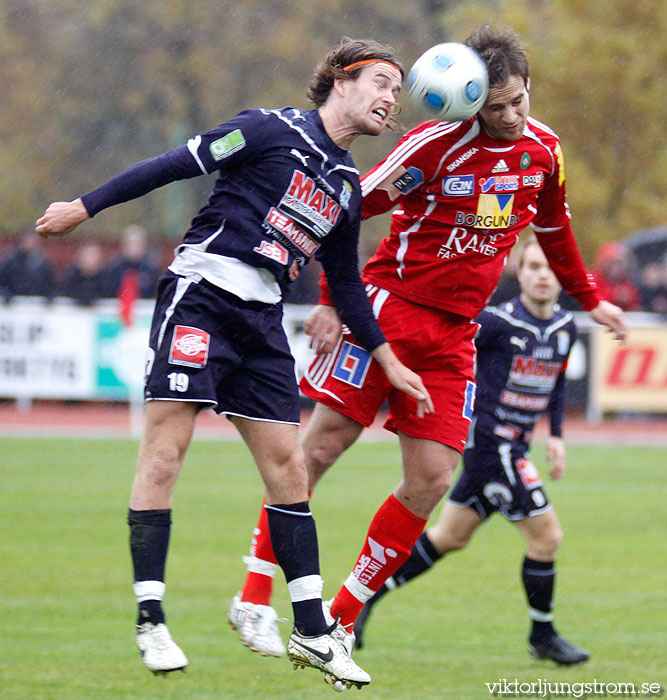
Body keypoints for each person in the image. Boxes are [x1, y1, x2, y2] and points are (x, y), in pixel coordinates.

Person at [35, 38, 435, 691]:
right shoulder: (266, 128)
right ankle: (151, 620)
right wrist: (85, 207)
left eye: (396, 89)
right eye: (380, 82)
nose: (390, 97)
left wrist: (386, 358)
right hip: (201, 298)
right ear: (339, 79)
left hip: (263, 321)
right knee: (165, 455)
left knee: (290, 468)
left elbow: (346, 283)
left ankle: (311, 632)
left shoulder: (344, 187)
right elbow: (171, 165)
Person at [230, 25, 627, 667]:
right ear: (468, 101)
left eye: (518, 102)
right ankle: (252, 594)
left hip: (455, 334)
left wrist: (589, 296)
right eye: (494, 108)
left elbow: (553, 228)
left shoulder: (545, 151)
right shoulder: (432, 147)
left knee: (432, 479)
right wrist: (333, 300)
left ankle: (337, 623)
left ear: (530, 90)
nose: (509, 117)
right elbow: (342, 208)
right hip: (388, 310)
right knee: (321, 448)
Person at [353, 238, 590, 665]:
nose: (542, 275)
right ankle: (543, 634)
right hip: (490, 447)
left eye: (550, 268)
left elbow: (555, 383)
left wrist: (555, 434)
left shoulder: (566, 327)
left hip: (515, 447)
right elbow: (449, 345)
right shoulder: (497, 323)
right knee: (547, 536)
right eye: (533, 267)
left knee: (450, 537)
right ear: (520, 273)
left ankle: (362, 599)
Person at [101, 224, 161, 300]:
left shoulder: (151, 268)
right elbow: (106, 292)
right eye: (131, 244)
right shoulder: (113, 268)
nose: (134, 248)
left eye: (138, 244)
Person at [0, 230, 56, 302]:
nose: (31, 243)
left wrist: (48, 295)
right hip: (14, 306)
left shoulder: (43, 261)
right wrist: (6, 294)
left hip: (37, 306)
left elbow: (50, 283)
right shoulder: (10, 260)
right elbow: (3, 282)